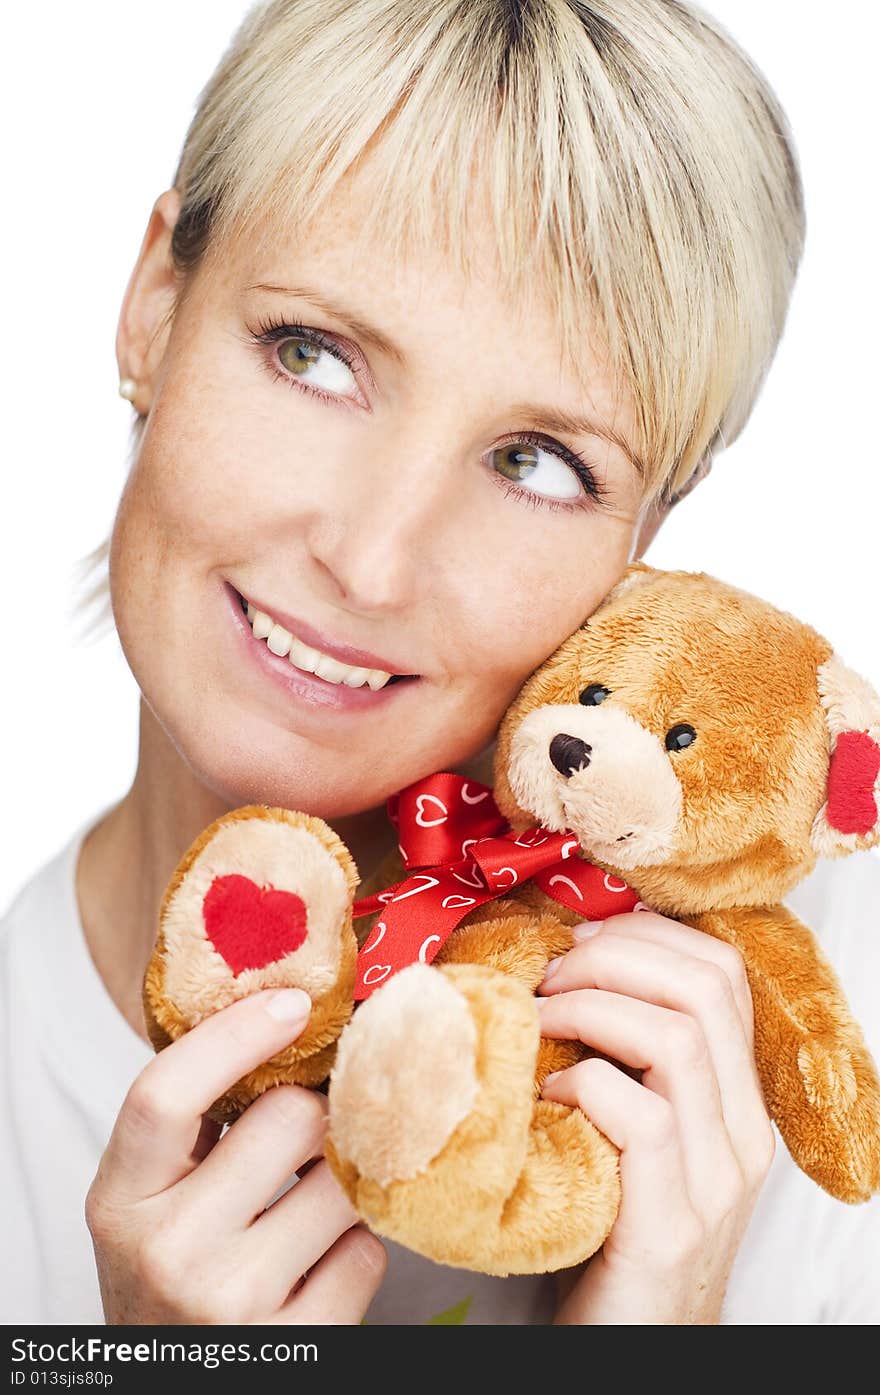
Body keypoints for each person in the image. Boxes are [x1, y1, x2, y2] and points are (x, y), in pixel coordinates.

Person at [2, 0, 878, 1326]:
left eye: (538, 461)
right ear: (154, 307)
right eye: (315, 356)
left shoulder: (810, 1026)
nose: (373, 559)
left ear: (650, 535)